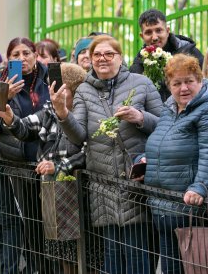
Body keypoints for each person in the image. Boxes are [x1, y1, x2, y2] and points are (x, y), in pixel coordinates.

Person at [53, 35, 163, 274]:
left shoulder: (141, 83)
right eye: (97, 55)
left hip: (135, 182)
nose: (102, 59)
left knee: (137, 250)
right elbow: (78, 136)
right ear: (90, 60)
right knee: (112, 252)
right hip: (103, 183)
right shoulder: (84, 89)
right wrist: (63, 114)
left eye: (108, 54)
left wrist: (140, 118)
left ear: (120, 57)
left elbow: (166, 124)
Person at [0, 62, 87, 274]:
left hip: (78, 190)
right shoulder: (49, 110)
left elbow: (88, 151)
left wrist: (61, 166)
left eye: (57, 87)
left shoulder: (84, 112)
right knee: (57, 248)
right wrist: (9, 118)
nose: (51, 93)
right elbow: (26, 128)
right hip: (53, 190)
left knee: (79, 250)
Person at [143, 54, 208, 274]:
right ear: (169, 86)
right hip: (163, 206)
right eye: (177, 83)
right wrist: (144, 160)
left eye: (189, 81)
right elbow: (160, 142)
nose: (183, 88)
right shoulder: (170, 110)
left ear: (200, 81)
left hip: (192, 209)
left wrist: (199, 186)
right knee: (171, 269)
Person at [0, 37, 51, 274]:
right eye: (15, 55)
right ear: (8, 59)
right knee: (30, 223)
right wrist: (5, 97)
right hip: (19, 165)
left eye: (26, 53)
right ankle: (33, 268)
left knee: (51, 223)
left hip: (50, 160)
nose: (22, 59)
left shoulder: (49, 77)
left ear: (35, 54)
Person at [130, 8, 204, 101]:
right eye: (148, 32)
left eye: (159, 30)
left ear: (167, 30)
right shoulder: (139, 63)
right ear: (142, 36)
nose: (154, 37)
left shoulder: (189, 52)